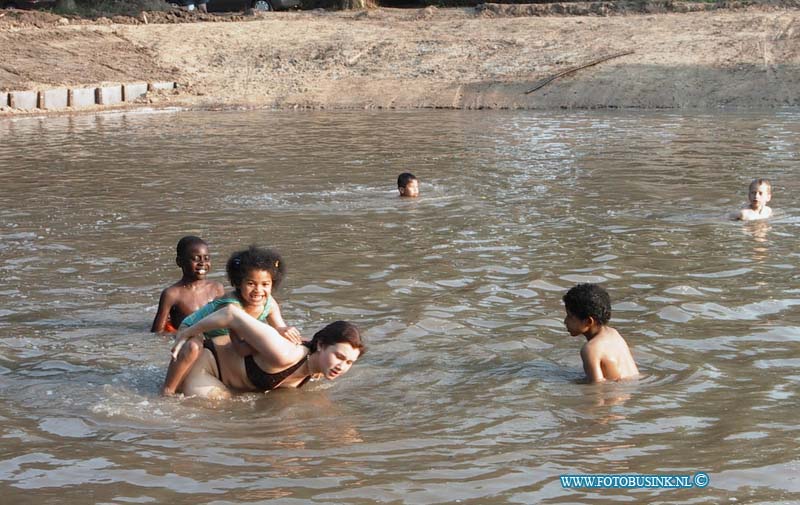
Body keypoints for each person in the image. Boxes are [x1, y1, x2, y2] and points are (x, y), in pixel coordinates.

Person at [161, 245, 302, 395]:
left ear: (273, 284)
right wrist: (270, 339)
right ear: (238, 283)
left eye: (265, 284)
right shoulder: (232, 306)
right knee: (193, 348)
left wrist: (286, 333)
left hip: (220, 337)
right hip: (193, 328)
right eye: (250, 283)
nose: (258, 290)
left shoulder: (269, 303)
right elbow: (240, 348)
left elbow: (280, 328)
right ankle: (168, 390)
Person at [171, 304, 365, 399]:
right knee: (222, 412)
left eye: (349, 362)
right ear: (321, 345)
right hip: (204, 367)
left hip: (228, 380)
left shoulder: (317, 372)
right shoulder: (284, 352)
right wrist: (185, 333)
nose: (341, 366)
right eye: (339, 356)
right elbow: (230, 313)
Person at [562, 283, 639, 383]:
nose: (565, 321)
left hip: (615, 395)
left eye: (570, 316)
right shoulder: (613, 333)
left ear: (589, 321)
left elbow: (597, 388)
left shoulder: (590, 349)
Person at [151, 236, 225, 334]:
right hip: (187, 341)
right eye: (196, 259)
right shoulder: (172, 294)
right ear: (179, 262)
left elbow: (226, 319)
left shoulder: (216, 288)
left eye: (206, 259)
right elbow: (157, 332)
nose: (202, 263)